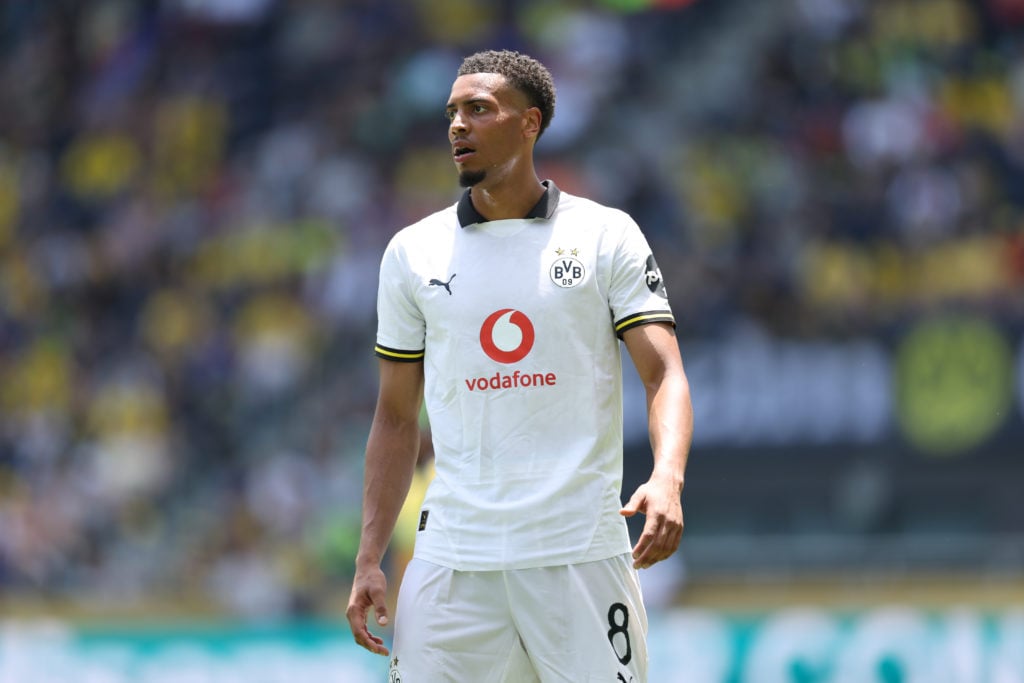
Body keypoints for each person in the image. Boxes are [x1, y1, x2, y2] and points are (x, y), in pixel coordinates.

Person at [346, 49, 693, 682]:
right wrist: (370, 556)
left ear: (530, 123)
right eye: (452, 112)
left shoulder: (605, 236)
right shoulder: (410, 253)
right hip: (453, 558)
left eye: (478, 110)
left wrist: (666, 478)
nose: (457, 125)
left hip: (576, 553)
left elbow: (663, 373)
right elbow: (395, 418)